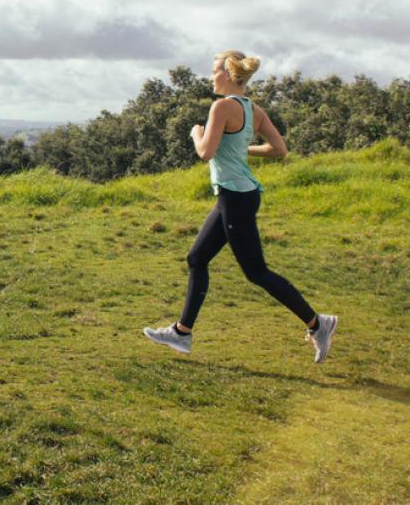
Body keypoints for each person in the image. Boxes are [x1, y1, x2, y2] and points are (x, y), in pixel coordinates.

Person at [143, 51, 337, 363]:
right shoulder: (253, 109)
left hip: (235, 199)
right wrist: (237, 147)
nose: (210, 77)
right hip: (237, 195)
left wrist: (197, 133)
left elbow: (205, 153)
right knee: (196, 258)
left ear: (229, 75)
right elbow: (279, 149)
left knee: (256, 272)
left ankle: (318, 324)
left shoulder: (221, 107)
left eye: (214, 71)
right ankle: (182, 332)